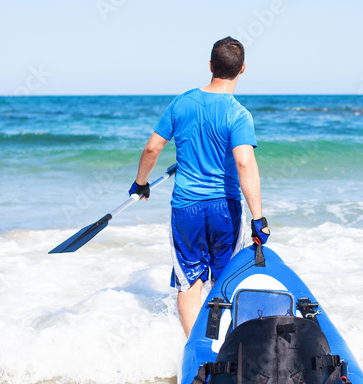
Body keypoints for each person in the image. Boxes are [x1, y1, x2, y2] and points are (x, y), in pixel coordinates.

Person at [128, 36, 270, 337]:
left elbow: (152, 149)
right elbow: (244, 164)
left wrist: (141, 184)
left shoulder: (182, 102)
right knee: (226, 279)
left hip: (186, 208)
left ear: (210, 65)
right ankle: (226, 349)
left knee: (189, 281)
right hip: (224, 208)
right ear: (242, 69)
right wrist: (259, 218)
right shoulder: (238, 114)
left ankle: (196, 352)